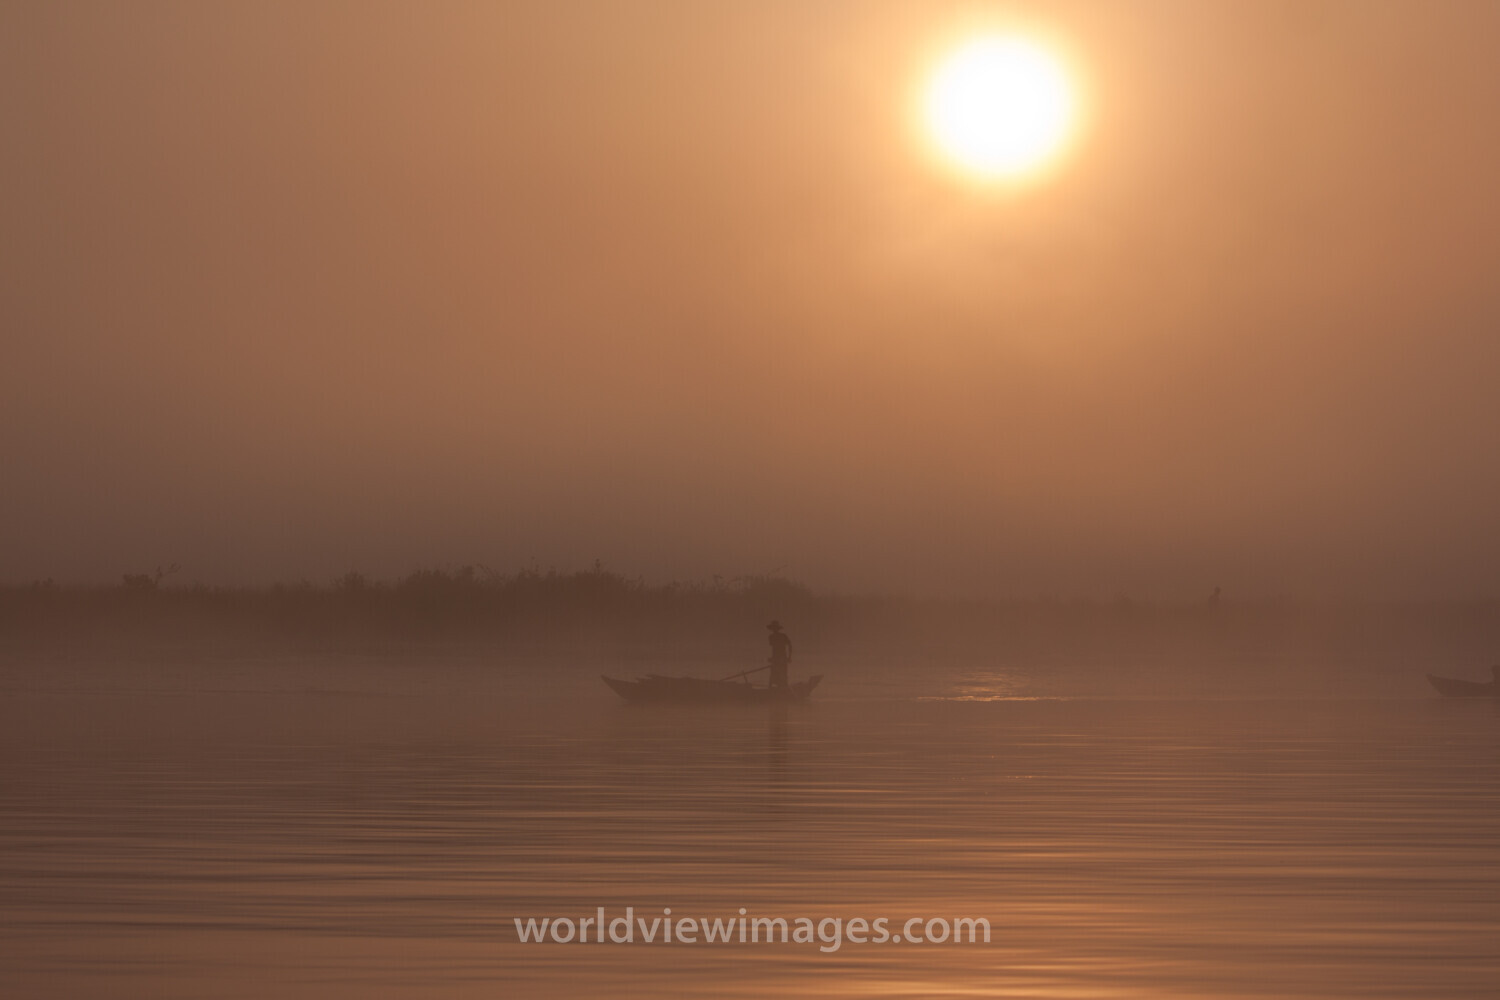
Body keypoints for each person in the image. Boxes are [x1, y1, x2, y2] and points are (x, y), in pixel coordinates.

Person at [766, 621, 793, 689]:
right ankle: (772, 690)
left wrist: (789, 657)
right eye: (773, 628)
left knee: (782, 674)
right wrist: (771, 658)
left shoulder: (782, 636)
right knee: (774, 674)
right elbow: (775, 648)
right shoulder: (771, 637)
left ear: (777, 629)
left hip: (782, 658)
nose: (774, 630)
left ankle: (782, 689)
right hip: (776, 658)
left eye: (775, 628)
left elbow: (790, 645)